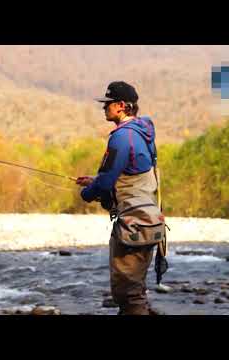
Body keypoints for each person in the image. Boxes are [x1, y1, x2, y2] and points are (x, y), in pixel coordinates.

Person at [76, 81, 167, 315]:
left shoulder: (121, 137)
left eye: (107, 104)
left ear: (121, 106)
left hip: (133, 225)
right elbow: (128, 172)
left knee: (128, 293)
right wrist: (95, 180)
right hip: (151, 220)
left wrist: (87, 192)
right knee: (135, 289)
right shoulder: (143, 133)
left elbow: (106, 182)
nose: (104, 108)